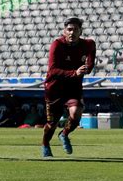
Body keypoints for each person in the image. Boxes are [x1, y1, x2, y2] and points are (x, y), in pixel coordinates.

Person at [41, 17, 96, 157]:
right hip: (54, 89)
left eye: (75, 29)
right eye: (69, 30)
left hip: (73, 88)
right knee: (51, 124)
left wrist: (87, 68)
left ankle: (64, 134)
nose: (72, 32)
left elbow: (90, 63)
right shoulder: (57, 44)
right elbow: (52, 70)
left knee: (77, 111)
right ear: (64, 31)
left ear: (80, 31)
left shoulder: (88, 44)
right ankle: (45, 144)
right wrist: (74, 72)